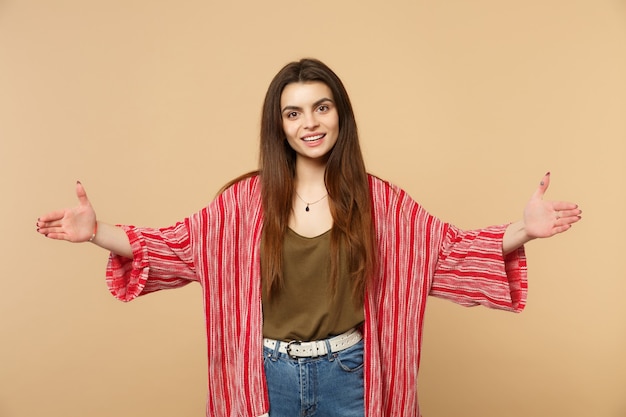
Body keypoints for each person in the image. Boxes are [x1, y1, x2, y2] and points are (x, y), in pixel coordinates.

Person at [36, 58, 582, 417]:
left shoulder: (380, 201)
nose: (309, 123)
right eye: (293, 113)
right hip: (264, 378)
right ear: (280, 126)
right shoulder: (243, 202)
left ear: (340, 114)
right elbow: (178, 248)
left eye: (321, 107)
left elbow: (444, 253)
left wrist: (522, 229)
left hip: (352, 375)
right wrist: (97, 234)